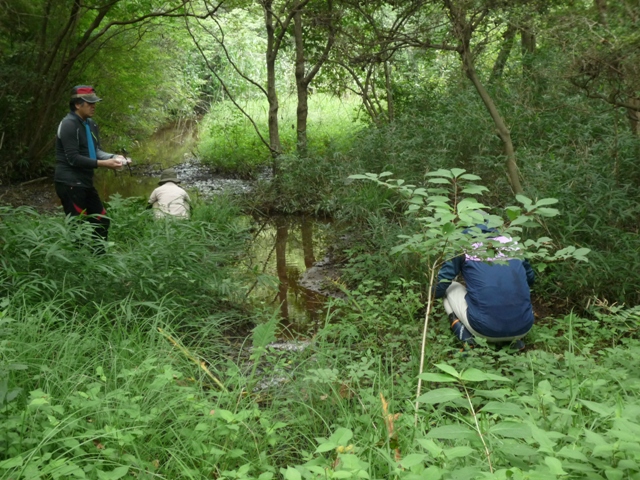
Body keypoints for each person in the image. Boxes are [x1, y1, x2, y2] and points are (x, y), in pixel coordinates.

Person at [434, 224, 535, 351]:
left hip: (484, 329)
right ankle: (515, 341)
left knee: (450, 285)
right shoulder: (512, 243)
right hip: (524, 327)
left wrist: (429, 297)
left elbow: (442, 284)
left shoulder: (462, 245)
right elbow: (530, 279)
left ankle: (466, 337)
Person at [55, 85, 130, 251]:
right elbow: (73, 158)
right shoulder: (68, 124)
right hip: (69, 182)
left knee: (101, 220)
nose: (93, 105)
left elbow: (94, 151)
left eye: (94, 102)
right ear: (77, 104)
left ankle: (97, 259)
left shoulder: (91, 124)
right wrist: (105, 164)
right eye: (89, 103)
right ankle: (76, 265)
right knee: (77, 225)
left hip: (85, 181)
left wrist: (113, 157)